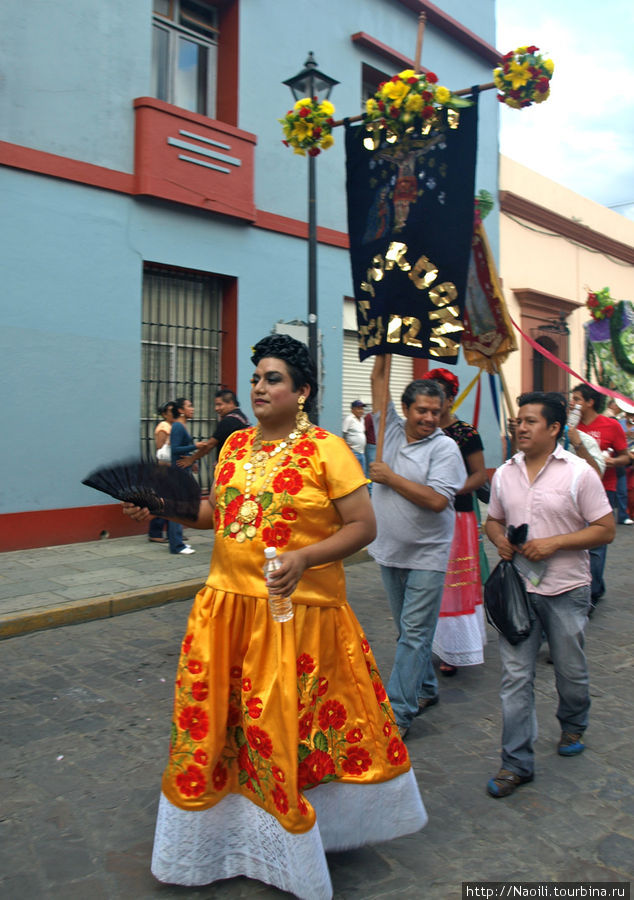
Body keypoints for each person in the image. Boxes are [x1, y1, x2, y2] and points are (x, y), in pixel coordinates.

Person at [123, 334, 426, 900]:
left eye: (274, 379)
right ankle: (227, 834)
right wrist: (165, 508)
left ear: (302, 391)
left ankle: (306, 832)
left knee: (288, 728)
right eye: (257, 377)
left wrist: (303, 558)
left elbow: (363, 526)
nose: (260, 387)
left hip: (296, 616)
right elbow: (218, 513)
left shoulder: (327, 449)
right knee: (226, 728)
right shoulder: (235, 446)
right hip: (226, 612)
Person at [485, 392, 614, 798]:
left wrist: (555, 543)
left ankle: (574, 721)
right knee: (515, 677)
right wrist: (499, 541)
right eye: (518, 421)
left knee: (570, 671)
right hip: (518, 591)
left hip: (567, 589)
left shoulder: (579, 474)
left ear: (554, 428)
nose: (520, 427)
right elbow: (493, 520)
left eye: (530, 422)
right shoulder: (505, 473)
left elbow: (605, 528)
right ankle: (515, 763)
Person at [367, 355, 466, 737]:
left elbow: (438, 500)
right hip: (389, 549)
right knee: (407, 630)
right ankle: (424, 687)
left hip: (428, 553)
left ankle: (399, 713)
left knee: (413, 632)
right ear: (405, 409)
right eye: (422, 410)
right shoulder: (388, 429)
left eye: (435, 412)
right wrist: (385, 346)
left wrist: (389, 477)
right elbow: (378, 378)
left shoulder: (444, 448)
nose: (429, 418)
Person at [421, 368, 488, 676]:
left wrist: (450, 488)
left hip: (457, 516)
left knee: (455, 585)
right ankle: (430, 643)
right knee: (428, 582)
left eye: (439, 396)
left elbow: (479, 475)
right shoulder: (423, 431)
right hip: (425, 515)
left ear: (450, 399)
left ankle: (456, 647)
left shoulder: (465, 433)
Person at [570, 384, 629, 610]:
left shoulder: (611, 426)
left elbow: (625, 456)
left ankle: (591, 593)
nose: (573, 403)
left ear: (589, 402)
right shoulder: (570, 426)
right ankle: (593, 584)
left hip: (604, 488)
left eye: (577, 399)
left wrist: (612, 462)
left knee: (595, 543)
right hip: (574, 491)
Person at [178, 389, 250, 468]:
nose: (216, 408)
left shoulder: (228, 421)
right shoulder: (242, 417)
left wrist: (191, 459)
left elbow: (210, 444)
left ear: (231, 403)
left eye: (219, 405)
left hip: (231, 466)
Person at [169, 397, 198, 556]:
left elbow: (181, 450)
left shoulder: (182, 426)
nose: (192, 409)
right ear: (181, 410)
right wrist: (196, 446)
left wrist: (191, 460)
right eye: (189, 406)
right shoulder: (178, 427)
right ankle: (176, 545)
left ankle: (177, 542)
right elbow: (174, 449)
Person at [148, 401, 175, 544]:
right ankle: (155, 532)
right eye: (171, 411)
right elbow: (161, 449)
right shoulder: (164, 427)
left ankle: (173, 532)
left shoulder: (172, 426)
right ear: (165, 414)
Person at [342, 400, 367, 473]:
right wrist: (346, 445)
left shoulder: (362, 420)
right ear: (352, 409)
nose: (361, 411)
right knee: (353, 473)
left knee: (362, 474)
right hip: (353, 452)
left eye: (362, 409)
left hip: (362, 452)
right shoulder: (349, 419)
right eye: (358, 408)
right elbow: (344, 433)